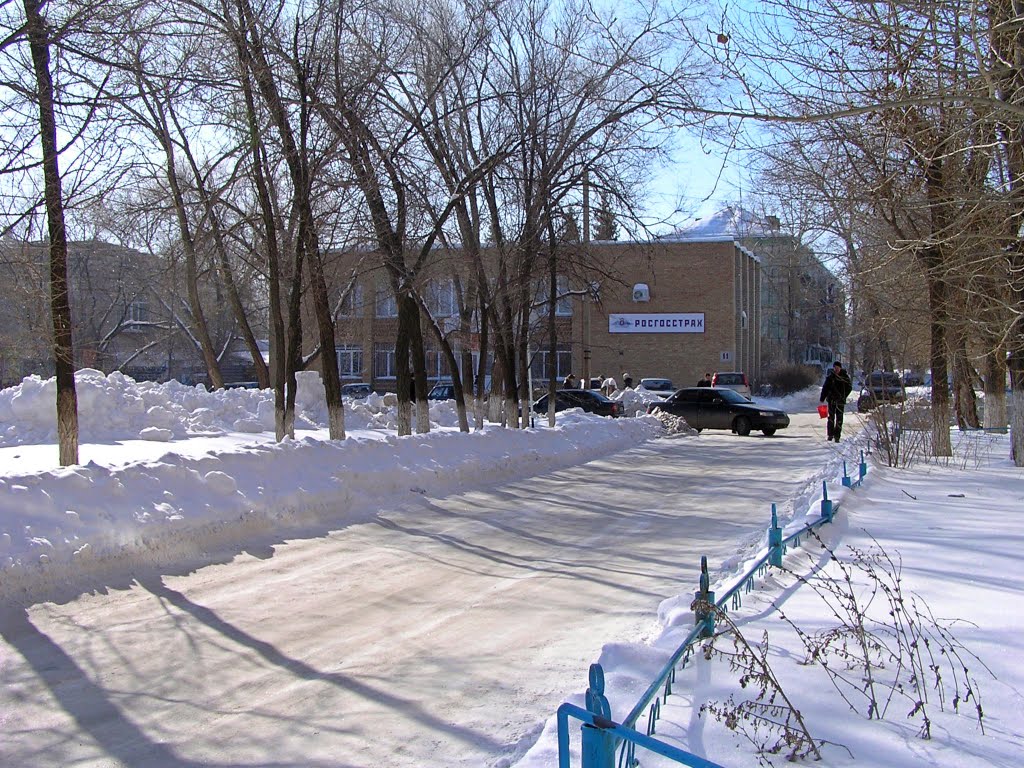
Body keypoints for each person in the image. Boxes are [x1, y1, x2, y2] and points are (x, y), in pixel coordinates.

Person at [819, 361, 853, 442]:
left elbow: (849, 388)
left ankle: (837, 436)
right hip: (831, 400)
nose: (836, 369)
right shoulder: (831, 377)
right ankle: (830, 435)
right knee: (831, 418)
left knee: (839, 418)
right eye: (835, 368)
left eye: (837, 368)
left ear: (840, 368)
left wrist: (844, 396)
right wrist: (822, 398)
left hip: (840, 401)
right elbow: (825, 388)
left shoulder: (845, 377)